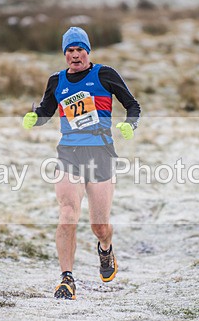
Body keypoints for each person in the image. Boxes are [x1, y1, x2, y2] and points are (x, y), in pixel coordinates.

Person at [23, 27, 141, 300]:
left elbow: (132, 105)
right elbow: (46, 110)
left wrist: (129, 125)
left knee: (99, 226)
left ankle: (106, 249)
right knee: (67, 214)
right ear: (64, 54)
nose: (75, 56)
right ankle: (66, 279)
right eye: (70, 51)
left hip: (101, 154)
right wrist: (35, 117)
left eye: (80, 50)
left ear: (88, 52)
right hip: (69, 153)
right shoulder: (57, 81)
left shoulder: (105, 75)